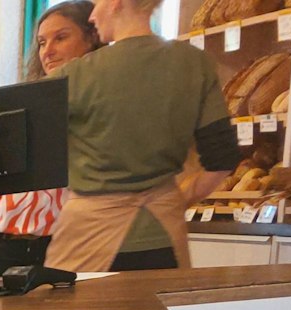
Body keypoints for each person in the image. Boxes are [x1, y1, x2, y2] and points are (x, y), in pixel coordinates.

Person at [45, 0, 238, 272]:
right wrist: (176, 200)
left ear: (115, 3)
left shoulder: (75, 75)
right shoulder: (195, 63)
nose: (92, 15)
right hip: (163, 238)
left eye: (97, 3)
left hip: (88, 241)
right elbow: (223, 159)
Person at [0, 1, 102, 273]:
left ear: (92, 39)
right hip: (6, 250)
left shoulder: (104, 109)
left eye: (61, 38)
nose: (48, 51)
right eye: (42, 42)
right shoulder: (20, 110)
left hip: (66, 249)